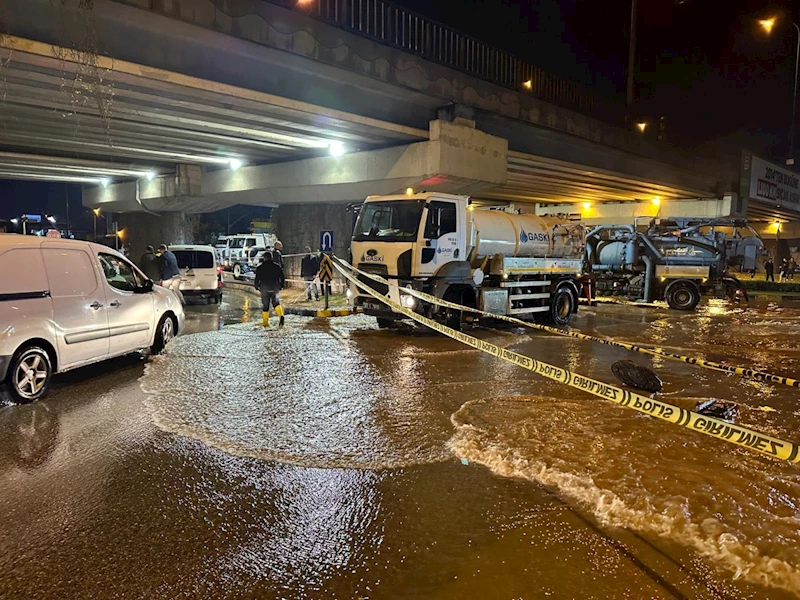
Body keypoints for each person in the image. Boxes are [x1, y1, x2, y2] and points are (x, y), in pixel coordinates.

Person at [254, 251, 285, 327]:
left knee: (265, 305)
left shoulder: (260, 268)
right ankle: (281, 316)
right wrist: (281, 285)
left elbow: (257, 278)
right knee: (276, 303)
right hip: (275, 288)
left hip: (264, 288)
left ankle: (265, 322)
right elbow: (282, 277)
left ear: (264, 258)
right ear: (271, 258)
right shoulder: (277, 266)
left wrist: (256, 286)